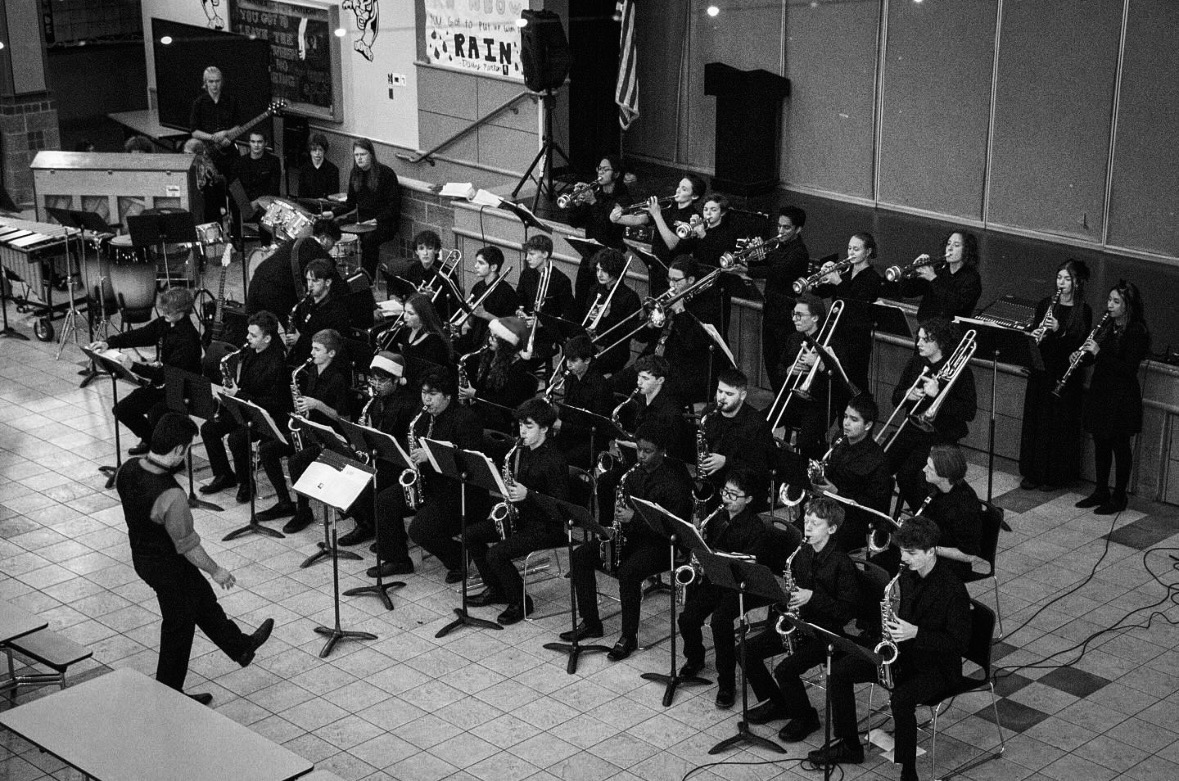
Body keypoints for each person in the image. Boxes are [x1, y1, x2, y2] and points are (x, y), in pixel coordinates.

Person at [115, 413, 274, 701]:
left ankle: (241, 647)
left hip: (142, 557)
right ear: (178, 449)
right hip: (169, 566)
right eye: (188, 448)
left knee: (201, 598)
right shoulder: (171, 495)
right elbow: (188, 546)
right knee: (179, 627)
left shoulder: (127, 470)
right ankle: (170, 695)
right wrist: (216, 570)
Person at [809, 516, 970, 781]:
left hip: (937, 667)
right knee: (838, 672)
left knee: (901, 699)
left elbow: (958, 643)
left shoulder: (952, 589)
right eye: (902, 551)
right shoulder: (906, 575)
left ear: (931, 551)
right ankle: (850, 746)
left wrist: (916, 633)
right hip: (903, 654)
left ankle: (908, 771)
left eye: (911, 553)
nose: (904, 558)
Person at [563, 422, 694, 659]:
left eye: (647, 451)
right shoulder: (633, 474)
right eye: (639, 449)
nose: (641, 456)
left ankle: (628, 636)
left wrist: (634, 518)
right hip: (633, 537)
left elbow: (674, 529)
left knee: (628, 572)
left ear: (662, 451)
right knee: (581, 555)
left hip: (662, 545)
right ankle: (591, 622)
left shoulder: (675, 483)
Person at [740, 497, 857, 740]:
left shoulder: (842, 564)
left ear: (832, 529)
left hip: (825, 633)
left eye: (816, 523)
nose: (808, 527)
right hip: (800, 623)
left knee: (785, 670)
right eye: (807, 521)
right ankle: (779, 702)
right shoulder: (801, 553)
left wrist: (812, 597)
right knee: (744, 650)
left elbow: (846, 612)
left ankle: (806, 718)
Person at [466, 398, 570, 625]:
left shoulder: (555, 460)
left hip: (546, 527)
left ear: (544, 428)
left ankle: (520, 602)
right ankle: (496, 588)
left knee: (497, 554)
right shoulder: (522, 450)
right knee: (471, 534)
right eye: (521, 425)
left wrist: (528, 495)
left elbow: (560, 507)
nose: (522, 431)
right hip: (522, 517)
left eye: (529, 426)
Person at [678, 470, 771, 709]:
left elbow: (752, 566)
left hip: (742, 586)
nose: (726, 498)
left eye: (733, 495)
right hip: (717, 579)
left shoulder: (756, 528)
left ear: (748, 499)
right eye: (725, 492)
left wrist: (719, 559)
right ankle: (695, 658)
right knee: (687, 618)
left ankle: (727, 683)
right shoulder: (717, 517)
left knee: (720, 622)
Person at [256, 329, 352, 532]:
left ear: (331, 353)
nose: (312, 353)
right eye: (312, 348)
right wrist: (305, 412)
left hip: (329, 438)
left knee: (296, 461)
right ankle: (284, 502)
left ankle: (304, 510)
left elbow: (345, 419)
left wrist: (318, 405)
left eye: (317, 349)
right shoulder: (313, 372)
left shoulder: (338, 379)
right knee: (267, 450)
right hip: (311, 430)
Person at [86, 287, 202, 455]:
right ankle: (152, 442)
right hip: (162, 384)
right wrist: (109, 343)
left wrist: (133, 366)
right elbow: (140, 335)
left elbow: (164, 374)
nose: (164, 313)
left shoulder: (188, 339)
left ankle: (169, 457)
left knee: (157, 413)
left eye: (169, 311)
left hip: (180, 389)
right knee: (123, 410)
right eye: (163, 309)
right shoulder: (164, 323)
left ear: (182, 311)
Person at [398, 369, 486, 582]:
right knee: (385, 501)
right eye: (424, 393)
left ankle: (459, 558)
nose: (426, 399)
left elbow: (468, 461)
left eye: (432, 394)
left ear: (448, 396)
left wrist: (430, 455)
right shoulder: (422, 415)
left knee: (419, 530)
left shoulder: (466, 419)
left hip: (459, 490)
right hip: (430, 482)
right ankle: (396, 559)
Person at [886, 317, 976, 511]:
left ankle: (926, 516)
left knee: (907, 476)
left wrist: (938, 397)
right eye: (918, 338)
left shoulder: (962, 372)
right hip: (912, 428)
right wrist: (908, 394)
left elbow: (969, 412)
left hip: (940, 436)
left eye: (925, 340)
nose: (919, 343)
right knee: (880, 466)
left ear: (941, 343)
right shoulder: (915, 363)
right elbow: (895, 398)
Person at [200, 311, 290, 502]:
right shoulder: (250, 351)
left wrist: (238, 394)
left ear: (267, 338)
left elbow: (275, 403)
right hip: (246, 406)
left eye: (253, 335)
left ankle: (246, 484)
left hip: (267, 415)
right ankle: (224, 474)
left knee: (237, 439)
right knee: (209, 429)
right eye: (248, 333)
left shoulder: (277, 362)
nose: (247, 337)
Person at [1077, 280, 1150, 515]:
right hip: (1102, 392)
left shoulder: (1136, 331)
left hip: (1122, 398)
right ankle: (1101, 490)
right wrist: (1081, 356)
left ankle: (1119, 496)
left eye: (1116, 302)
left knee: (1120, 446)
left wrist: (1099, 352)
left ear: (1127, 305)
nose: (1110, 305)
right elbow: (1093, 357)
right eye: (1109, 300)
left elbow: (1128, 368)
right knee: (1101, 443)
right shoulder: (1107, 325)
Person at [1018, 259, 1093, 490]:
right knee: (1036, 420)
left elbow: (1079, 346)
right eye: (1059, 278)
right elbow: (1034, 331)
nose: (1061, 283)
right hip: (1042, 370)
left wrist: (1059, 330)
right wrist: (1036, 334)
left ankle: (1053, 476)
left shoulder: (1083, 310)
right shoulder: (1046, 304)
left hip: (1063, 376)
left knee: (1056, 425)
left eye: (1067, 279)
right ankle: (1032, 472)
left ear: (1077, 283)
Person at [338, 351, 418, 549]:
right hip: (379, 456)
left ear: (396, 380)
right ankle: (366, 524)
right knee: (343, 476)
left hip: (399, 462)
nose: (376, 385)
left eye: (381, 380)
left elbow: (406, 440)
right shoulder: (376, 400)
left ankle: (388, 531)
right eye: (373, 380)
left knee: (366, 485)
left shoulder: (408, 403)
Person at [624, 257, 717, 405]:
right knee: (614, 384)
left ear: (691, 280)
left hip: (679, 369)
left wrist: (680, 311)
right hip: (652, 361)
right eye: (669, 279)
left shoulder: (704, 306)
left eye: (676, 280)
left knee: (650, 399)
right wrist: (650, 324)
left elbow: (692, 344)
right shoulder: (664, 295)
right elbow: (640, 337)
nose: (671, 285)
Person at [806, 395, 892, 551]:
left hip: (853, 521)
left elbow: (873, 507)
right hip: (828, 508)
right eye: (845, 417)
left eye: (854, 419)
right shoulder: (840, 439)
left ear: (868, 425)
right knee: (796, 532)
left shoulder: (878, 460)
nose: (846, 423)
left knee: (814, 541)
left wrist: (836, 493)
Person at [772, 293, 848, 460]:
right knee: (760, 424)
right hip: (793, 399)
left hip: (819, 405)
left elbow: (841, 383)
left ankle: (806, 470)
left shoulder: (833, 343)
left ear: (815, 318)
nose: (794, 319)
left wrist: (819, 365)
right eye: (794, 314)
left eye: (799, 315)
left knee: (806, 443)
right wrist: (789, 370)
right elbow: (779, 369)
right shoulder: (794, 339)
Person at [610, 173, 706, 297]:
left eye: (684, 189)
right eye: (679, 186)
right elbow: (638, 219)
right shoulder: (668, 207)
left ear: (694, 196)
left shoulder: (694, 219)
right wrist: (617, 219)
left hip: (675, 274)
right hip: (656, 267)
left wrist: (657, 214)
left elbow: (673, 244)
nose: (678, 190)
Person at [811, 231, 883, 395]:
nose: (851, 253)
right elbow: (820, 293)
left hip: (857, 340)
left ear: (868, 252)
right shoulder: (845, 272)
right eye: (849, 248)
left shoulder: (872, 278)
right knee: (835, 382)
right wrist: (822, 277)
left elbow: (857, 307)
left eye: (856, 249)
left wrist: (838, 282)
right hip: (837, 334)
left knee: (854, 382)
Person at [747, 206, 809, 388]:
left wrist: (747, 269)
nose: (780, 231)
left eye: (786, 227)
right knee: (770, 360)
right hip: (770, 311)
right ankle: (777, 398)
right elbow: (764, 264)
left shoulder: (799, 252)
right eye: (779, 226)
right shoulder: (778, 247)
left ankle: (784, 400)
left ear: (798, 229)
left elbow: (776, 272)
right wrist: (754, 256)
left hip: (786, 315)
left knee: (782, 362)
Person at [699, 368, 777, 510]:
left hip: (745, 489)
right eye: (720, 391)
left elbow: (763, 466)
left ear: (742, 395)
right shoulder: (709, 414)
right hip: (715, 482)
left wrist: (726, 462)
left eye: (729, 394)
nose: (721, 398)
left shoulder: (756, 423)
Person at [566, 154, 632, 308]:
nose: (600, 172)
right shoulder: (595, 194)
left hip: (610, 262)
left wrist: (593, 202)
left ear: (616, 174)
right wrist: (576, 203)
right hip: (589, 257)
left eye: (605, 169)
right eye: (599, 168)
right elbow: (574, 222)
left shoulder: (623, 200)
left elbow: (609, 229)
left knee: (602, 304)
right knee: (581, 300)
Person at [246, 219, 342, 318]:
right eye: (333, 242)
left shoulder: (296, 242)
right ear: (324, 238)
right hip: (274, 295)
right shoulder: (317, 252)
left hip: (256, 286)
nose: (332, 247)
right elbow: (337, 285)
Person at [458, 316, 537, 436]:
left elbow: (507, 402)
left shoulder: (519, 368)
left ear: (507, 343)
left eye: (495, 338)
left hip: (502, 417)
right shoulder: (492, 356)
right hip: (486, 408)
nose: (490, 340)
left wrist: (475, 394)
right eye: (490, 335)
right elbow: (483, 387)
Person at [335, 138, 400, 279]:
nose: (359, 158)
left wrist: (376, 220)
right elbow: (350, 203)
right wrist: (332, 213)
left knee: (369, 239)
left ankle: (367, 279)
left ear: (371, 154)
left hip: (384, 221)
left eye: (362, 154)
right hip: (362, 218)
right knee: (332, 226)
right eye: (356, 155)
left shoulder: (386, 173)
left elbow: (394, 207)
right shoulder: (355, 173)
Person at [892, 228, 982, 321]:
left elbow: (955, 305)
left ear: (966, 250)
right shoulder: (939, 269)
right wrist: (912, 270)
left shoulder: (972, 279)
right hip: (924, 327)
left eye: (956, 245)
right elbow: (907, 292)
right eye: (948, 244)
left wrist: (933, 279)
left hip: (951, 328)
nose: (950, 248)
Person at [551, 335, 613, 469]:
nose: (568, 365)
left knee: (558, 462)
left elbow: (596, 428)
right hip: (571, 434)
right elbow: (567, 408)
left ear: (587, 360)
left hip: (590, 442)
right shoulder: (571, 378)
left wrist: (562, 426)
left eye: (573, 360)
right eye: (567, 359)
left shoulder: (600, 386)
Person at [516, 234, 575, 367]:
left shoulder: (561, 280)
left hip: (546, 335)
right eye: (527, 254)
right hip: (525, 328)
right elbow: (519, 299)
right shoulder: (526, 274)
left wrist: (541, 323)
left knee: (517, 368)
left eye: (532, 254)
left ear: (545, 254)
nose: (527, 258)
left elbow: (568, 316)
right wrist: (520, 312)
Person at [580, 247, 641, 375]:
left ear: (615, 270)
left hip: (615, 349)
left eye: (604, 270)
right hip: (593, 343)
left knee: (589, 366)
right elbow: (586, 316)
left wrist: (608, 316)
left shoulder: (630, 297)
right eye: (598, 269)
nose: (599, 274)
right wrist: (592, 318)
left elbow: (628, 332)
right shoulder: (595, 290)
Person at [282, 259, 351, 364]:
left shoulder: (337, 310)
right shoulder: (306, 303)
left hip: (323, 362)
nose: (310, 285)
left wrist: (300, 340)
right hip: (304, 355)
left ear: (328, 282)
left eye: (315, 281)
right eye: (308, 280)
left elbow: (333, 345)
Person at [454, 245, 519, 354]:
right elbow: (471, 323)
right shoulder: (478, 287)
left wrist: (485, 314)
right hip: (474, 337)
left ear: (493, 267)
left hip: (492, 343)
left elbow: (510, 328)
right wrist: (469, 313)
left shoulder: (506, 292)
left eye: (481, 263)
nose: (476, 266)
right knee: (450, 350)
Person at [390, 293, 453, 389]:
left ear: (423, 315)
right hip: (408, 383)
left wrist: (405, 380)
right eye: (404, 311)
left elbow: (433, 375)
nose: (405, 317)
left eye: (410, 313)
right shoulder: (407, 331)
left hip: (426, 388)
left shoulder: (435, 341)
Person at [188, 66, 240, 180]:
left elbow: (237, 127)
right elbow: (194, 132)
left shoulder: (231, 101)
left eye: (217, 81)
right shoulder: (199, 103)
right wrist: (214, 138)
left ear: (222, 82)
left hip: (229, 151)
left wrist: (226, 133)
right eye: (211, 81)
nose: (214, 85)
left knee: (234, 183)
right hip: (208, 153)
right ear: (205, 83)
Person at [399, 230, 462, 321]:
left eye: (429, 248)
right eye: (421, 248)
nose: (425, 253)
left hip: (438, 319)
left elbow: (455, 305)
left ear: (436, 250)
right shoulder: (412, 269)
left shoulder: (447, 272)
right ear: (416, 251)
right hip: (415, 317)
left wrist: (433, 298)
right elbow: (406, 295)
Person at [232, 131, 281, 206]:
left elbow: (274, 188)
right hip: (246, 205)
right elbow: (236, 188)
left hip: (267, 203)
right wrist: (246, 206)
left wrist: (257, 202)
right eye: (253, 141)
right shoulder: (240, 162)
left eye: (259, 142)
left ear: (265, 143)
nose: (256, 145)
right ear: (249, 143)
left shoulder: (274, 161)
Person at [297, 133, 340, 200]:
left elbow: (334, 195)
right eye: (314, 150)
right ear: (310, 151)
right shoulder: (304, 169)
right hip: (307, 204)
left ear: (324, 151)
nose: (317, 153)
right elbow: (301, 195)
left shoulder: (333, 170)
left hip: (326, 205)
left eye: (320, 150)